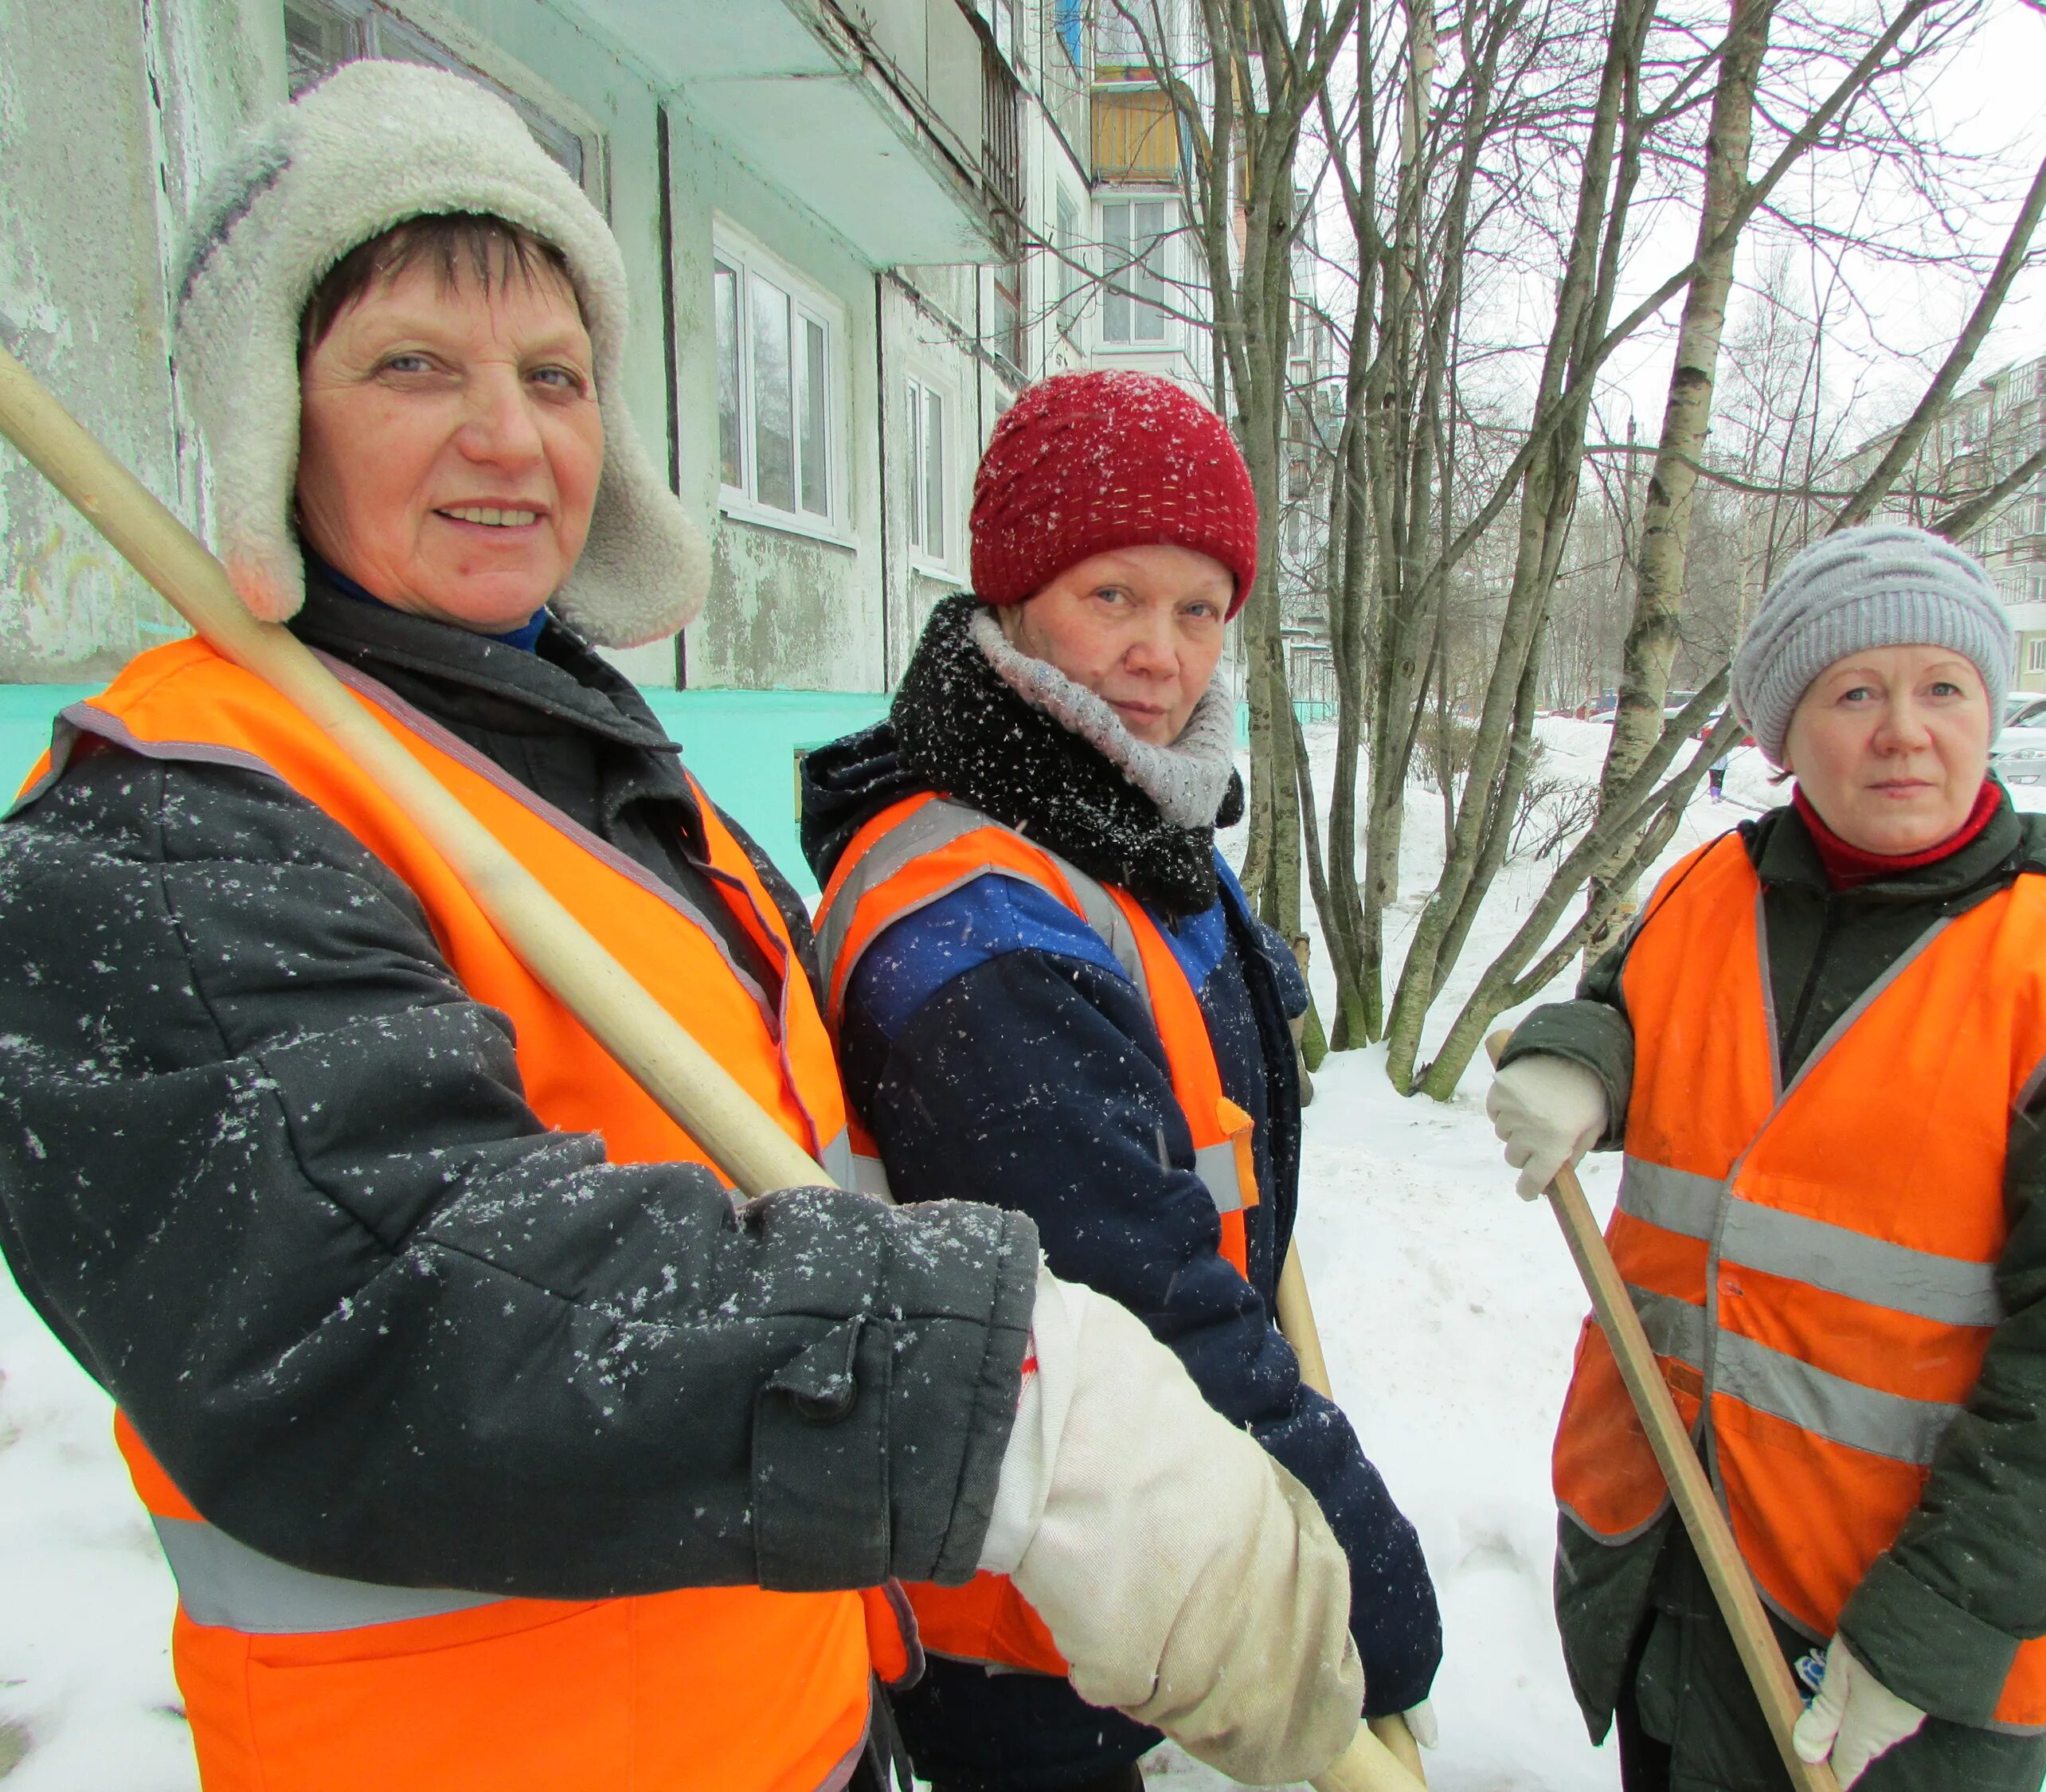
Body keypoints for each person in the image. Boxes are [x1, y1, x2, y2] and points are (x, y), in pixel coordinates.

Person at [0, 65, 1366, 1792]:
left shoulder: (627, 791)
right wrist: (998, 1396)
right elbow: (403, 1293)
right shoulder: (162, 832)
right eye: (415, 364)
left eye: (555, 376)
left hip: (798, 1728)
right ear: (278, 407)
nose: (510, 436)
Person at [1484, 525, 2046, 1792]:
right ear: (1781, 730)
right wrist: (1580, 1055)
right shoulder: (1709, 891)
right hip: (1668, 1558)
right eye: (1854, 691)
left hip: (1889, 1634)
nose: (1904, 731)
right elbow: (1633, 1009)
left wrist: (1933, 1630)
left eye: (1945, 689)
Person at [802, 370, 1442, 1792]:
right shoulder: (976, 923)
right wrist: (1359, 1592)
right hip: (1023, 1598)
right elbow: (1150, 1305)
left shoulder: (1123, 820)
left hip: (1121, 1560)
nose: (1160, 653)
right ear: (1016, 598)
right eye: (1112, 596)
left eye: (1199, 608)